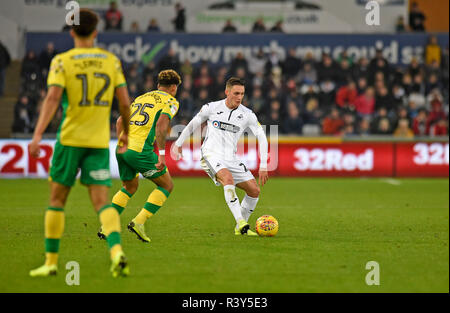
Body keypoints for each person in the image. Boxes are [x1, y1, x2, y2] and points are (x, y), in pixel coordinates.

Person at [28, 9, 131, 278]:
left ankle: (51, 263)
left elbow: (52, 99)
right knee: (101, 202)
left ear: (72, 32)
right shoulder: (111, 61)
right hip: (97, 143)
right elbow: (124, 102)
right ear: (96, 32)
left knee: (56, 200)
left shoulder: (62, 61)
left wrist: (37, 135)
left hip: (70, 140)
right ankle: (116, 251)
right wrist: (125, 134)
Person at [173, 77, 269, 236]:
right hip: (210, 154)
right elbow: (194, 123)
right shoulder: (212, 107)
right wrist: (178, 143)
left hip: (231, 158)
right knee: (228, 179)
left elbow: (262, 136)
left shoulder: (247, 114)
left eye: (242, 94)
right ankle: (240, 221)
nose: (239, 97)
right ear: (227, 92)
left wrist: (264, 165)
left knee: (254, 191)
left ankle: (240, 228)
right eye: (236, 93)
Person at [98, 70, 181, 243]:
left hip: (122, 148)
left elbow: (120, 121)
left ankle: (107, 226)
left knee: (129, 187)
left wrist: (123, 141)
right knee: (167, 185)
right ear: (174, 88)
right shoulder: (171, 101)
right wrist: (162, 155)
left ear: (158, 85)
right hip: (140, 150)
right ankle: (139, 222)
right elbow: (161, 125)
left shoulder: (142, 98)